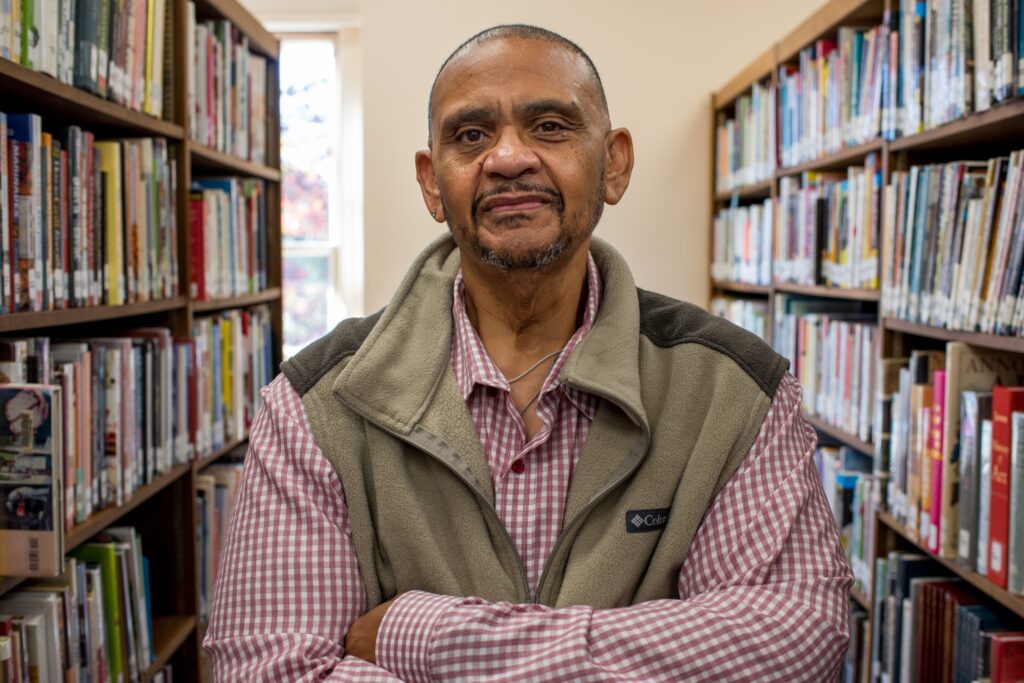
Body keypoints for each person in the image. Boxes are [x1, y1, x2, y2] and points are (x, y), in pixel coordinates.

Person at [205, 24, 852, 681]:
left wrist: (423, 634)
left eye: (549, 126)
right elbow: (269, 668)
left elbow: (795, 642)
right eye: (471, 135)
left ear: (615, 163)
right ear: (432, 183)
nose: (509, 157)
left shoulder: (732, 391)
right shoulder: (314, 404)